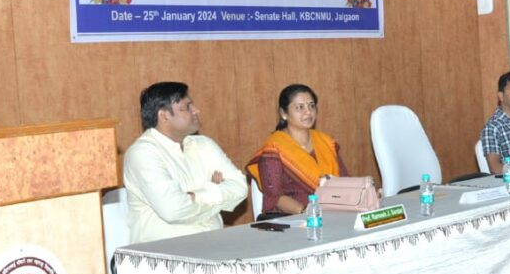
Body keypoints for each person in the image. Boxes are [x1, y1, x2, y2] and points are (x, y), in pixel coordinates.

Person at [122, 82, 247, 244]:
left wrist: (194, 196)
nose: (196, 110)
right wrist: (216, 192)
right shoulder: (142, 153)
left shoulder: (204, 144)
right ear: (164, 115)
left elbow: (241, 188)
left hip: (214, 245)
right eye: (187, 107)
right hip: (165, 255)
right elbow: (173, 210)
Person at [246, 84, 348, 217]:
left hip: (334, 214)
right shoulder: (274, 149)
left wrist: (364, 193)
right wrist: (308, 212)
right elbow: (275, 198)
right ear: (284, 113)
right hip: (295, 220)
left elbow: (345, 181)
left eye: (312, 106)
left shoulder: (325, 142)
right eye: (300, 107)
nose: (308, 112)